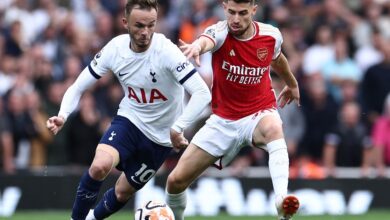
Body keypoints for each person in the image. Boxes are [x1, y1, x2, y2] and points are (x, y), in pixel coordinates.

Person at [46, 0, 211, 219]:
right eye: (139, 26)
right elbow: (78, 86)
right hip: (129, 121)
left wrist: (178, 128)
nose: (146, 32)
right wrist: (63, 115)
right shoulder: (115, 49)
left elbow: (203, 94)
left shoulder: (167, 52)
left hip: (161, 139)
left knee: (122, 192)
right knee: (99, 167)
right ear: (125, 23)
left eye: (151, 25)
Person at [165, 1, 300, 220]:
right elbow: (205, 41)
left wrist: (292, 84)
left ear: (254, 11)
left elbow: (277, 59)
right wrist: (196, 47)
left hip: (258, 113)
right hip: (222, 121)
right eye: (232, 12)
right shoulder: (219, 32)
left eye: (243, 13)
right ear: (224, 7)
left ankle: (281, 202)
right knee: (175, 181)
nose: (236, 19)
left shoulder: (271, 35)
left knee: (274, 127)